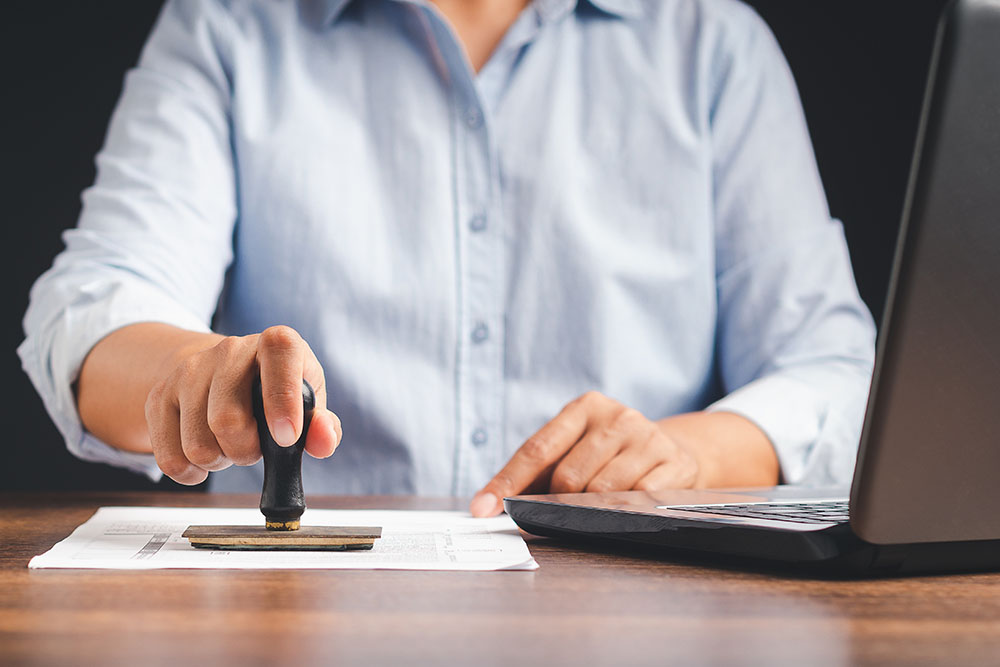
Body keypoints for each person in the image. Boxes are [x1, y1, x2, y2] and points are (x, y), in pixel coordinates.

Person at [19, 0, 876, 517]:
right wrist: (189, 374)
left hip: (635, 619)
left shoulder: (714, 44)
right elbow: (94, 306)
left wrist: (691, 456)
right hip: (293, 624)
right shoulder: (229, 27)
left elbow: (834, 368)